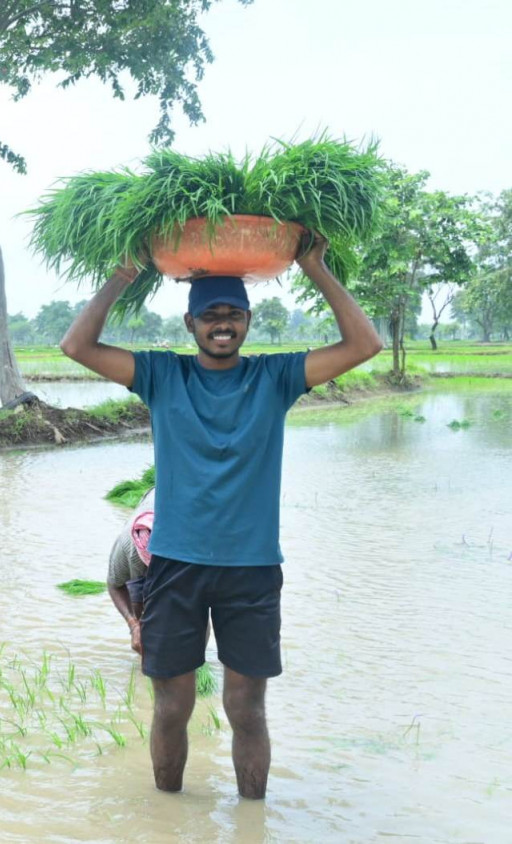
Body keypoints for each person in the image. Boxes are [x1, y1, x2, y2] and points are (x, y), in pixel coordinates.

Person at [59, 234, 382, 799]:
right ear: (191, 324)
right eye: (211, 315)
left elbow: (365, 344)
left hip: (252, 568)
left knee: (246, 709)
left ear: (249, 320)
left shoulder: (276, 378)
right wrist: (122, 274)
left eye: (233, 314)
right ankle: (169, 819)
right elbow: (76, 346)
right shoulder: (163, 376)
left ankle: (251, 821)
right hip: (176, 565)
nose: (223, 324)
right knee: (171, 707)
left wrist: (315, 267)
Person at [106, 487, 155, 655]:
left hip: (178, 550)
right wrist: (133, 623)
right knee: (139, 605)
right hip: (137, 558)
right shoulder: (127, 546)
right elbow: (114, 585)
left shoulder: (186, 542)